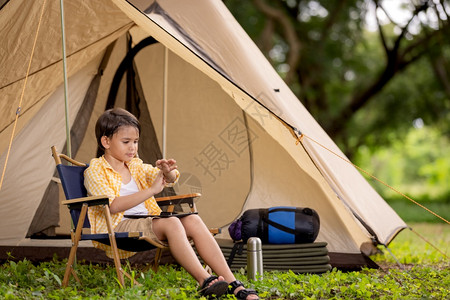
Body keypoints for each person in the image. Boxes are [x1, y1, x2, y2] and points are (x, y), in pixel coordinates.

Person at [84, 108, 259, 300]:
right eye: (126, 142)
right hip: (118, 225)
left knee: (192, 219)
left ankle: (234, 284)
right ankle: (205, 280)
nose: (132, 147)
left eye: (135, 142)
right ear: (106, 141)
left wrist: (168, 172)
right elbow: (113, 206)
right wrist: (150, 191)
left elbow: (170, 179)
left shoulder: (135, 165)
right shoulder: (96, 170)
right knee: (173, 222)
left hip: (146, 221)